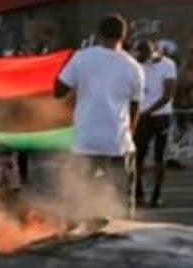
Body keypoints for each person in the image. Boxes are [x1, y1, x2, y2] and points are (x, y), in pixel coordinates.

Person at [54, 14, 144, 194]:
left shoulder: (81, 58)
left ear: (98, 34)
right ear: (124, 36)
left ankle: (80, 218)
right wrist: (129, 134)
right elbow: (135, 109)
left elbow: (58, 91)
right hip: (117, 143)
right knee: (119, 199)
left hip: (85, 140)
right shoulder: (134, 67)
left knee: (78, 195)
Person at [133, 40, 177, 207]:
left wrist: (148, 111)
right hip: (141, 116)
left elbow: (168, 95)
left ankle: (156, 194)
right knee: (138, 155)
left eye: (144, 56)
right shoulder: (136, 65)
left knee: (159, 156)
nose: (141, 59)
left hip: (160, 115)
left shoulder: (167, 65)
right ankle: (138, 193)